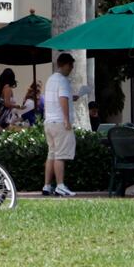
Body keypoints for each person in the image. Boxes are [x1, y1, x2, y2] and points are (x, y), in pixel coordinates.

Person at [41, 53, 77, 197]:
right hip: (60, 122)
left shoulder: (51, 79)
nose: (72, 69)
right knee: (60, 156)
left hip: (49, 122)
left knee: (52, 154)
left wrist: (71, 98)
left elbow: (59, 98)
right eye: (71, 65)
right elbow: (62, 99)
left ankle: (47, 185)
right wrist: (66, 120)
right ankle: (60, 185)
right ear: (66, 65)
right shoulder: (63, 80)